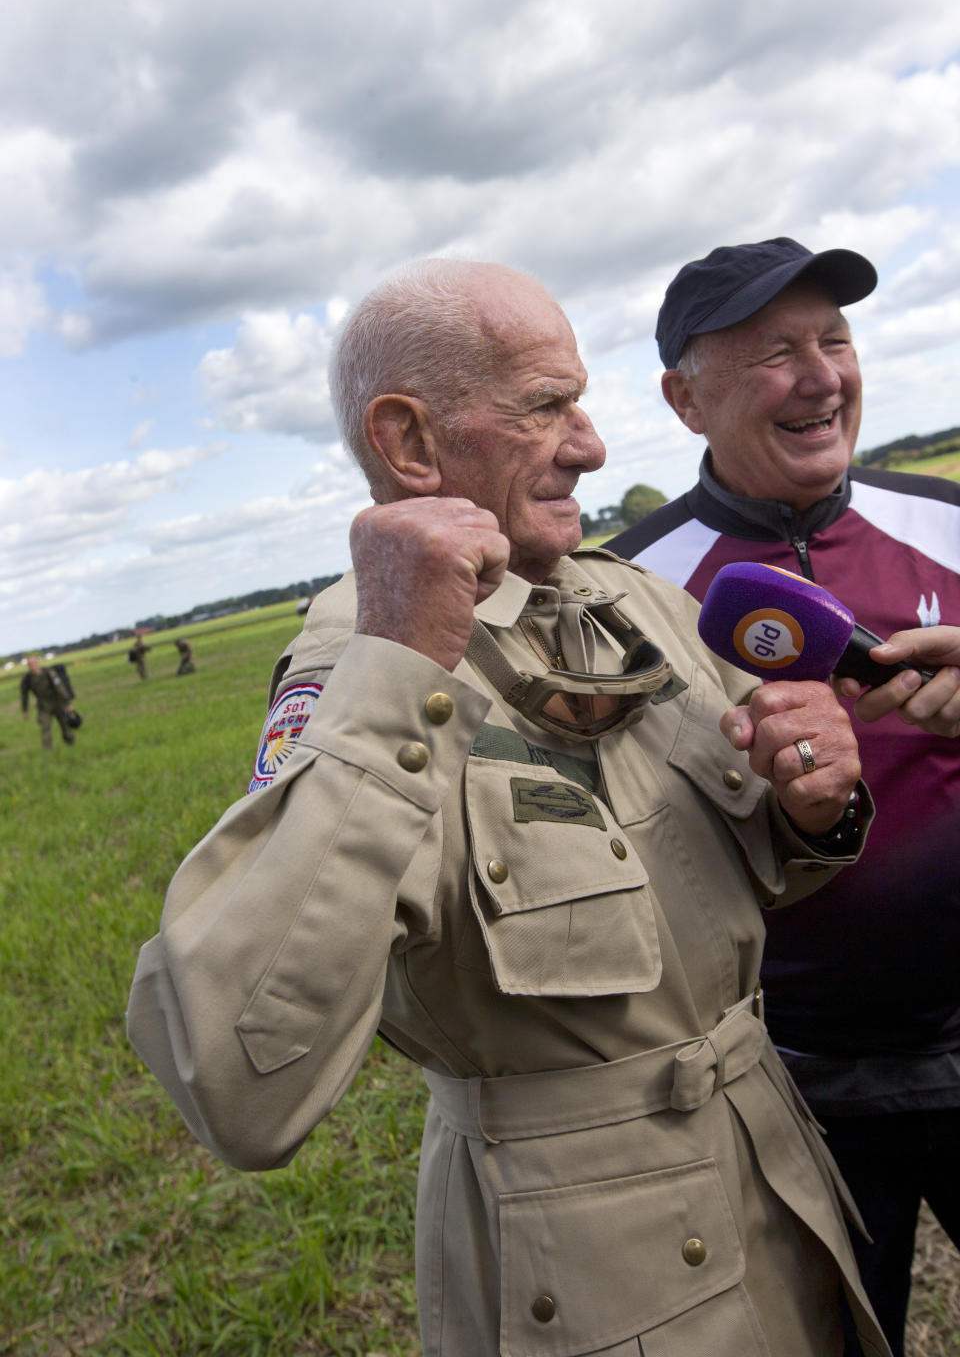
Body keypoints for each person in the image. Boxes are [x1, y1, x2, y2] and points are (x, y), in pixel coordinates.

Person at [128, 258, 890, 1357]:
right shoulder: (358, 661)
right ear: (409, 443)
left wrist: (813, 808)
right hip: (591, 1269)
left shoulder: (636, 604)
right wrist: (399, 661)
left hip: (776, 1172)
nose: (592, 445)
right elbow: (237, 1086)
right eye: (547, 407)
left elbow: (730, 864)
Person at [607, 237, 960, 1357]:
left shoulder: (947, 520)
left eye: (835, 340)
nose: (819, 376)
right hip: (788, 1082)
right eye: (774, 352)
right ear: (684, 398)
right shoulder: (628, 595)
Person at [20, 654, 77, 750]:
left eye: (34, 663)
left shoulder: (49, 672)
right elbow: (24, 695)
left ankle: (71, 744)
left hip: (58, 703)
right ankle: (48, 752)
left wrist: (67, 703)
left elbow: (60, 688)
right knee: (45, 728)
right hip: (44, 706)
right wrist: (25, 711)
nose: (32, 665)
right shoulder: (27, 679)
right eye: (30, 664)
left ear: (38, 663)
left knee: (65, 726)